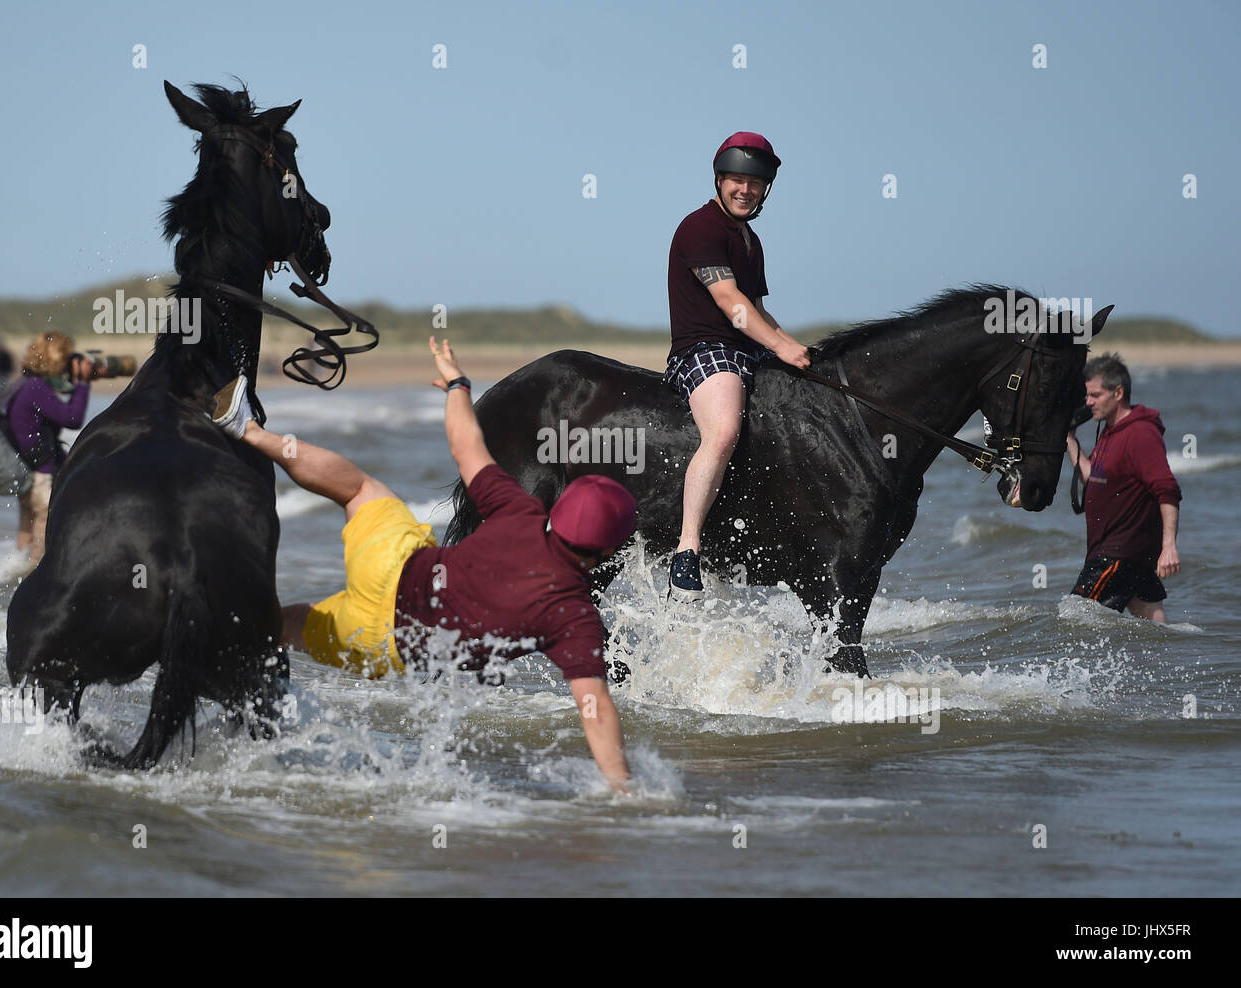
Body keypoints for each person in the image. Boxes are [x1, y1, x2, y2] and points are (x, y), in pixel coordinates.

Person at [211, 338, 637, 791]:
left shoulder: (520, 513)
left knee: (359, 490)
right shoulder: (574, 616)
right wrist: (622, 789)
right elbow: (595, 710)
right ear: (608, 552)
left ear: (560, 512)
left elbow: (466, 445)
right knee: (286, 627)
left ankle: (249, 432)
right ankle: (226, 651)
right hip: (382, 643)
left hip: (390, 566)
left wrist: (456, 384)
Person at [662, 132, 812, 599]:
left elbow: (759, 311)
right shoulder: (700, 228)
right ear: (720, 179)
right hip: (704, 348)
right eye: (737, 181)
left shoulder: (751, 240)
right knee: (724, 430)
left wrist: (795, 348)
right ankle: (686, 550)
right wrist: (779, 348)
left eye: (755, 183)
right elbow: (731, 303)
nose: (745, 190)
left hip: (748, 347)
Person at [1066, 353, 1182, 622]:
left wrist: (1169, 547)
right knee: (1155, 632)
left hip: (1116, 555)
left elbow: (1167, 490)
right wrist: (1069, 440)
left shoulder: (1140, 434)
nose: (1088, 402)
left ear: (1118, 392)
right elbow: (1092, 477)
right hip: (1129, 557)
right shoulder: (1110, 432)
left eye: (1095, 395)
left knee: (1071, 622)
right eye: (1087, 395)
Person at [3, 333, 94, 565]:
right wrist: (82, 383)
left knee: (26, 532)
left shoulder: (23, 384)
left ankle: (15, 580)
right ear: (58, 360)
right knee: (42, 542)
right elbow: (72, 418)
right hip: (41, 477)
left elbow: (50, 421)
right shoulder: (36, 388)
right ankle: (34, 583)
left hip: (26, 473)